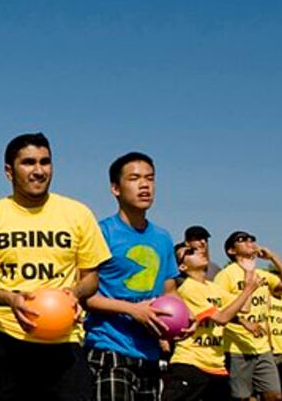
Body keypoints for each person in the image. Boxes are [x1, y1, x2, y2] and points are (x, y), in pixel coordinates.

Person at [0, 132, 111, 401]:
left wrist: (74, 293)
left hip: (63, 343)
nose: (39, 171)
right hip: (3, 340)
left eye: (45, 162)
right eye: (29, 162)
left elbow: (91, 279)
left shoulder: (78, 214)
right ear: (9, 171)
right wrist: (10, 298)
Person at [84, 152, 180, 401]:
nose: (145, 185)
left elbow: (170, 292)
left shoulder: (163, 238)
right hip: (109, 348)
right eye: (135, 178)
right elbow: (86, 296)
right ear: (115, 188)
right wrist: (133, 310)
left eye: (150, 178)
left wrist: (182, 320)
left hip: (149, 353)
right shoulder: (101, 233)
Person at [162, 243, 260, 401]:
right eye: (190, 252)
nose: (200, 251)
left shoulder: (213, 288)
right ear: (182, 266)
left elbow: (244, 307)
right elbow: (222, 318)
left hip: (216, 366)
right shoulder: (189, 289)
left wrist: (248, 277)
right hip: (191, 362)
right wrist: (248, 290)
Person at [214, 231, 282, 401]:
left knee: (275, 395)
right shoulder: (226, 275)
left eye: (252, 239)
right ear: (231, 250)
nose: (249, 242)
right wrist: (244, 321)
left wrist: (274, 258)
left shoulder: (262, 274)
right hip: (236, 347)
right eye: (242, 240)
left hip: (262, 347)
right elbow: (217, 310)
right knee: (241, 397)